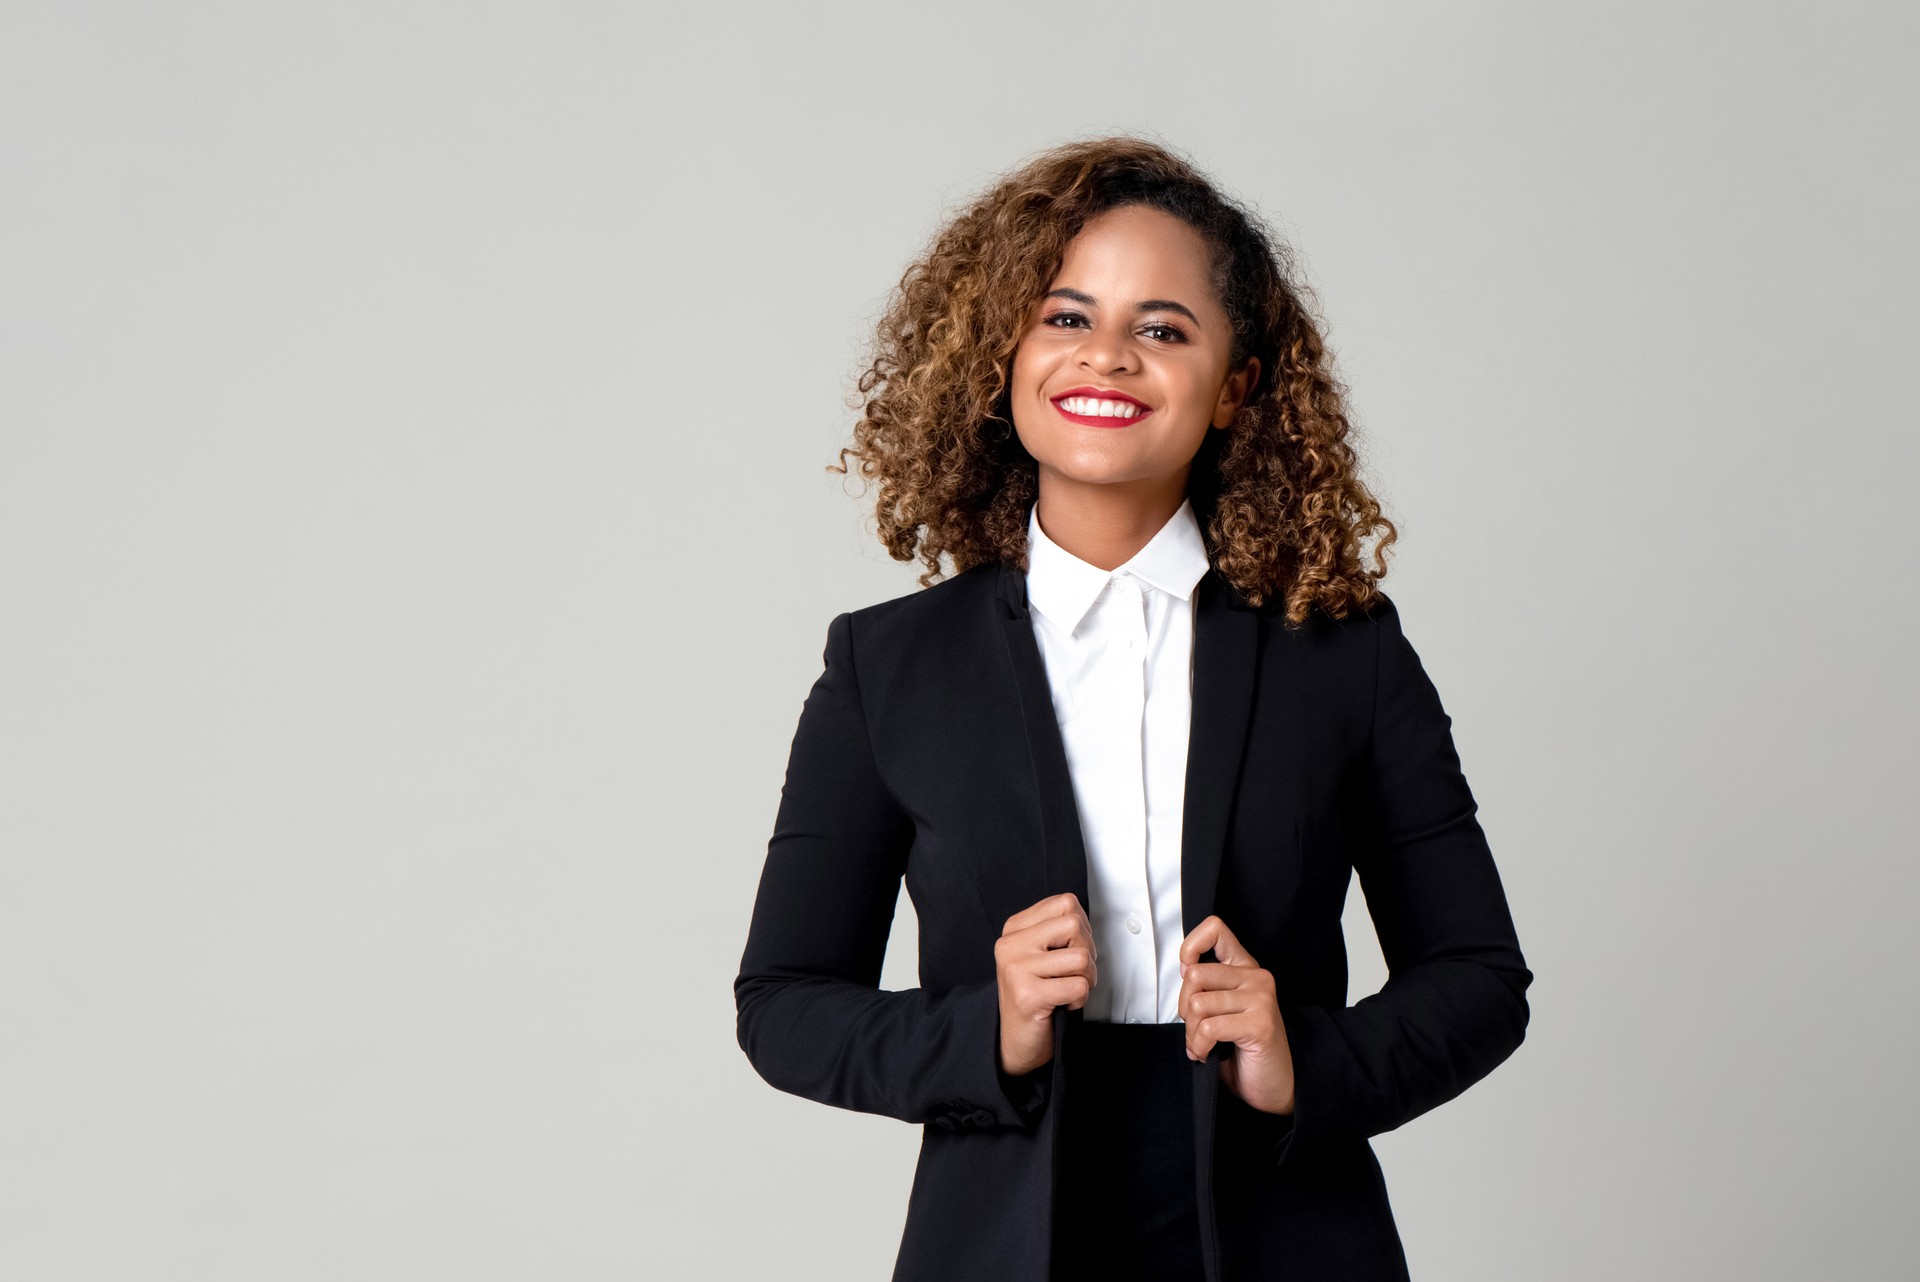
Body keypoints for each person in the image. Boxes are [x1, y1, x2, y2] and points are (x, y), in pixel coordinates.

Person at [733, 135, 1533, 1282]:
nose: (1106, 354)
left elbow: (1479, 977)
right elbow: (783, 1003)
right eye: (1065, 317)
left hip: (1288, 1236)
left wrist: (1304, 1061)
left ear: (1235, 386)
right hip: (999, 1239)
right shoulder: (888, 666)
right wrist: (985, 1030)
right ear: (1003, 358)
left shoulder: (1342, 655)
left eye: (1162, 329)